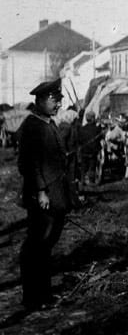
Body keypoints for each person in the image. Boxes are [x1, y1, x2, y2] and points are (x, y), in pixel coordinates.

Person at [17, 80, 73, 310]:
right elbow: (28, 164)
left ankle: (44, 294)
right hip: (42, 196)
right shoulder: (32, 125)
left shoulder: (49, 123)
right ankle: (32, 297)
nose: (58, 104)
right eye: (53, 100)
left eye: (59, 100)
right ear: (40, 101)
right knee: (36, 246)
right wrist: (41, 191)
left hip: (54, 194)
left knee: (46, 245)